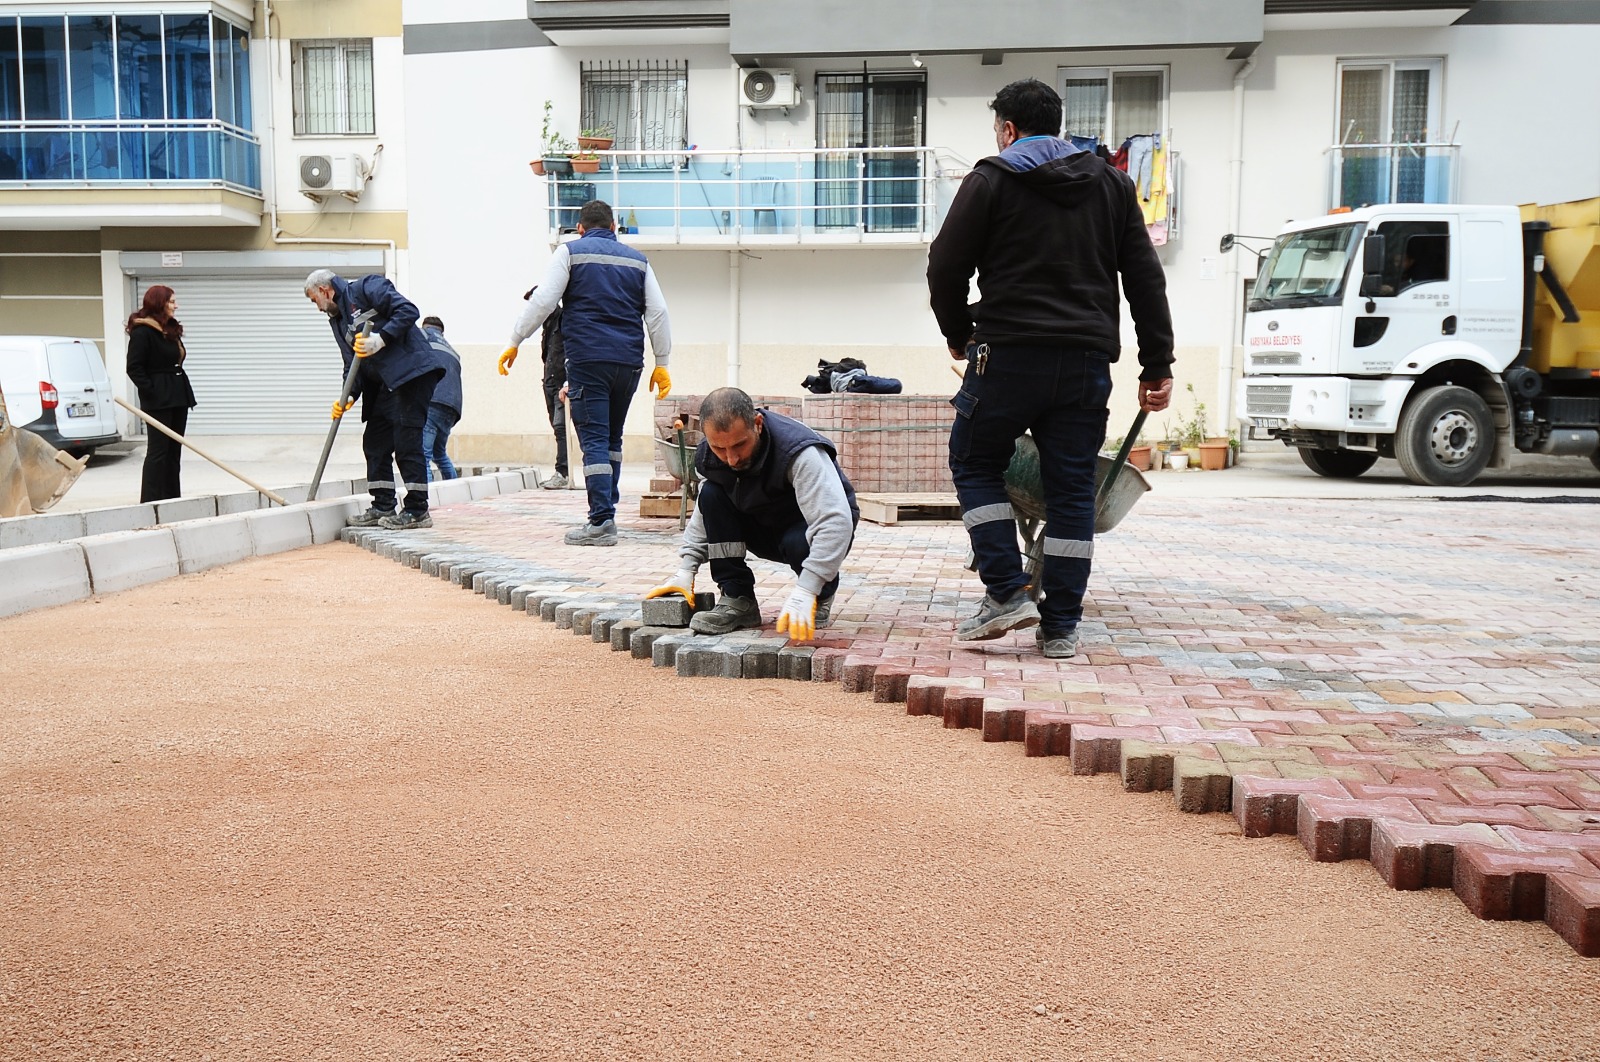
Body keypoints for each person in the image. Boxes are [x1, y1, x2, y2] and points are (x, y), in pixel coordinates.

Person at [926, 78, 1175, 658]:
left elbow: (945, 267)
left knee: (973, 458)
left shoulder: (989, 179)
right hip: (1085, 365)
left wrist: (959, 334)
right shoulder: (1113, 185)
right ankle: (1060, 626)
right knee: (1070, 493)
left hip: (1007, 356)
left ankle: (1007, 590)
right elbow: (1144, 280)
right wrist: (1155, 363)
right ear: (1057, 126)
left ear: (1008, 129)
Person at [501, 200, 672, 545]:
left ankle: (601, 521)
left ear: (579, 228)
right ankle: (606, 511)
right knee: (612, 439)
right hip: (629, 363)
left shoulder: (569, 253)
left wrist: (516, 339)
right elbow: (658, 312)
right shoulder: (638, 261)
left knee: (593, 439)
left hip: (588, 360)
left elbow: (544, 300)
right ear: (613, 227)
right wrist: (662, 363)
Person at [645, 387, 858, 640]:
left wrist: (807, 590)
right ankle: (738, 598)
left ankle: (822, 593)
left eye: (739, 445)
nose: (731, 458)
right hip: (761, 521)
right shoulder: (710, 457)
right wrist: (686, 570)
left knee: (797, 542)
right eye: (719, 448)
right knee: (712, 493)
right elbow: (706, 511)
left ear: (757, 424)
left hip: (805, 528)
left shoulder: (799, 451)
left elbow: (835, 523)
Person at [305, 269, 448, 530]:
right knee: (375, 443)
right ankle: (382, 505)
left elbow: (408, 310)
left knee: (407, 440)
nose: (317, 308)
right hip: (383, 385)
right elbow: (352, 364)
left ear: (325, 290)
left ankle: (417, 510)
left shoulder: (366, 288)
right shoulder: (337, 322)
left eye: (315, 300)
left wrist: (381, 339)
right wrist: (347, 395)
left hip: (411, 374)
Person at [124, 284, 197, 503]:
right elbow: (134, 368)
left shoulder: (170, 328)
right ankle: (151, 501)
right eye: (172, 301)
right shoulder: (143, 331)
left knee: (174, 452)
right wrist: (152, 392)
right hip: (159, 400)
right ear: (160, 303)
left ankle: (172, 498)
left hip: (178, 396)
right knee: (158, 452)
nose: (176, 305)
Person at [499, 286, 570, 489]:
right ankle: (565, 471)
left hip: (562, 384)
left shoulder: (564, 319)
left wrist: (567, 382)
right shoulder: (547, 324)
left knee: (561, 426)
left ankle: (563, 471)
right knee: (557, 427)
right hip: (549, 381)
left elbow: (571, 352)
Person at [418, 316, 462, 481]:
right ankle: (455, 489)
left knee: (423, 455)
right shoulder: (452, 351)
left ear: (425, 326)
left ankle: (427, 498)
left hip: (433, 401)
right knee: (439, 454)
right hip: (452, 408)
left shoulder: (423, 336)